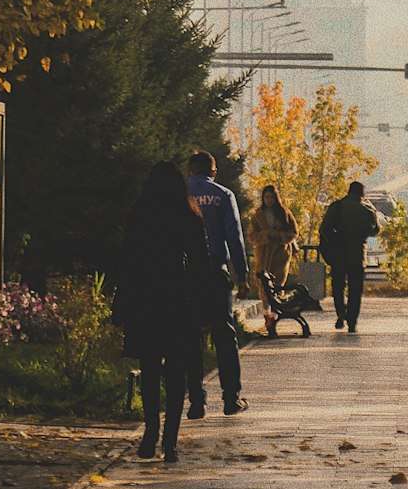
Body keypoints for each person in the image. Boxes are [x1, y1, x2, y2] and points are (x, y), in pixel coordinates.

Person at [116, 161, 214, 463]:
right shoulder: (189, 217)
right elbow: (202, 265)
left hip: (145, 303)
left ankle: (149, 435)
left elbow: (126, 262)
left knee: (149, 370)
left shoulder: (139, 216)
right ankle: (170, 442)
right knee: (176, 373)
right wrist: (202, 308)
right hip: (179, 304)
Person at [186, 150, 250, 415]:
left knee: (190, 336)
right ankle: (230, 398)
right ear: (213, 172)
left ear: (190, 171)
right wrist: (242, 275)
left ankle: (197, 402)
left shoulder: (179, 194)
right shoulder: (224, 195)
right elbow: (234, 236)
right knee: (224, 334)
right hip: (215, 271)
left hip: (187, 275)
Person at [319, 181, 379, 333]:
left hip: (338, 254)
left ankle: (341, 312)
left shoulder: (337, 206)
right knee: (355, 289)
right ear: (363, 194)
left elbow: (324, 228)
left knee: (338, 287)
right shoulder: (367, 209)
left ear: (348, 191)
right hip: (357, 255)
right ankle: (352, 321)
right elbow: (375, 230)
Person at [249, 184, 299, 332]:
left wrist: (279, 236)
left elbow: (293, 232)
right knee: (263, 286)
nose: (269, 200)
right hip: (263, 254)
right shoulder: (257, 215)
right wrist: (265, 236)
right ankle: (267, 315)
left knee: (277, 285)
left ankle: (275, 315)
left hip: (280, 254)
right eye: (266, 197)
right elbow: (252, 236)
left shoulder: (284, 213)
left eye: (271, 197)